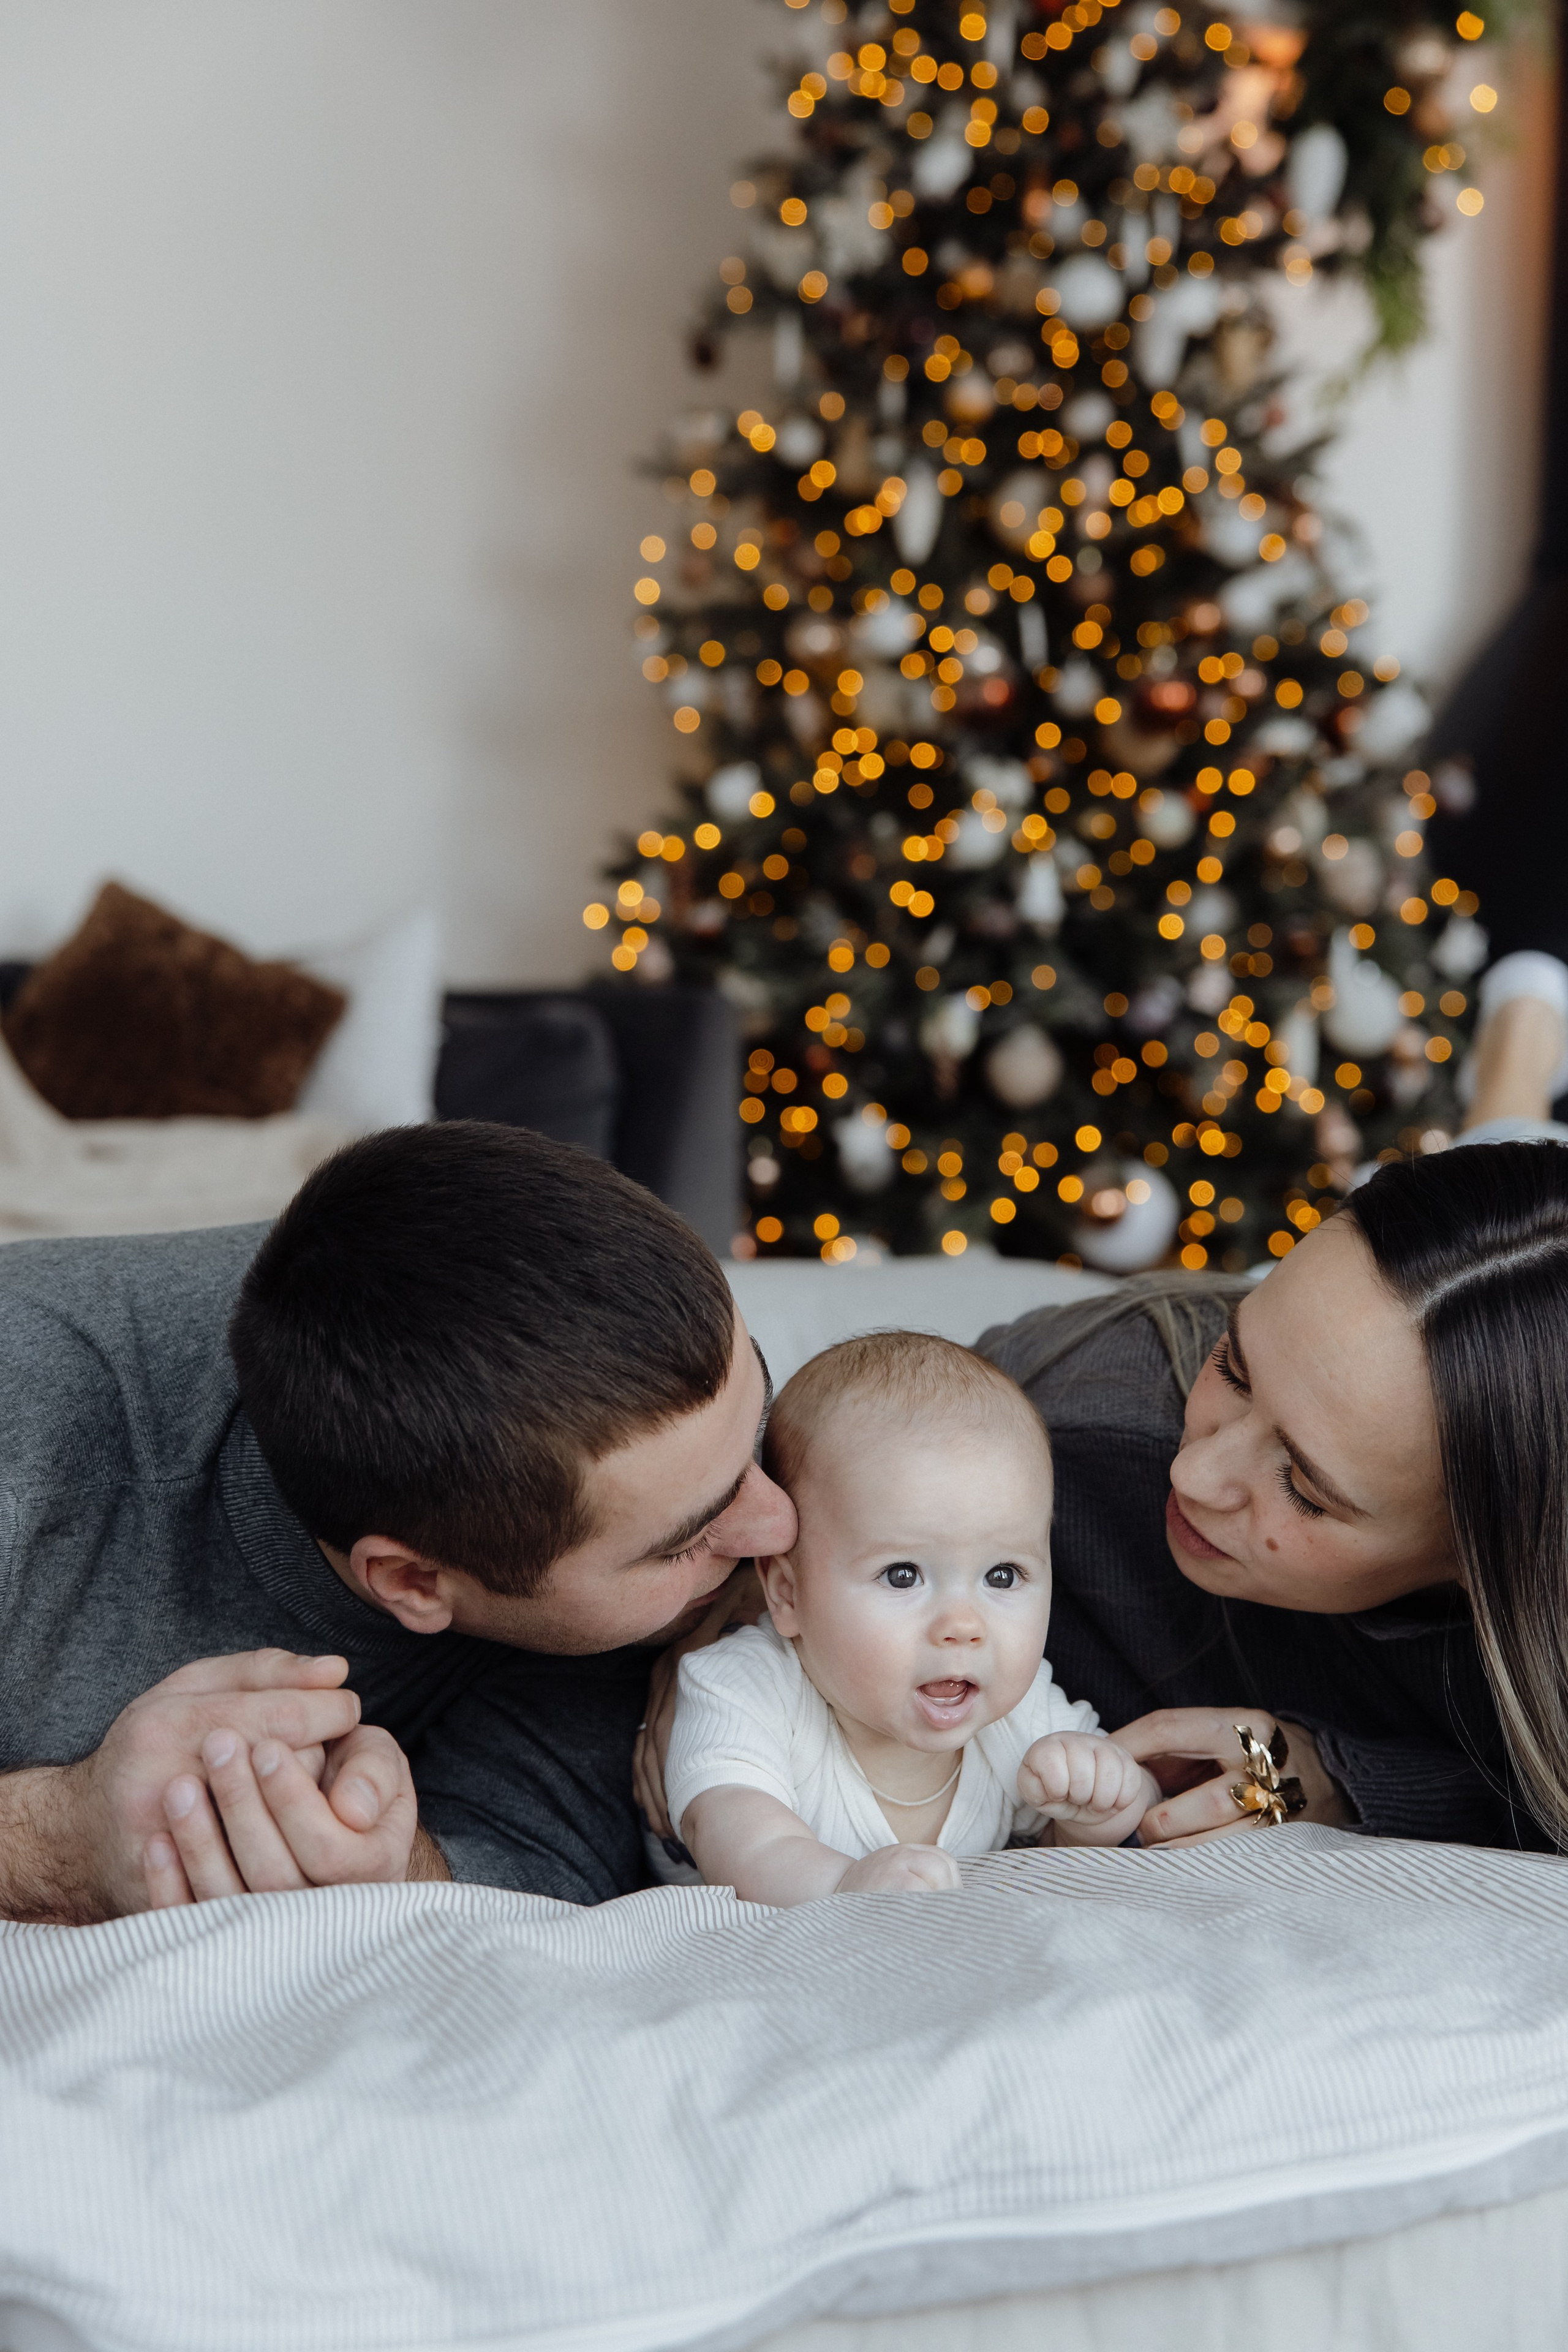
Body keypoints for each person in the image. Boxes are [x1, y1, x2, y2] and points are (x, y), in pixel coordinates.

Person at [644, 984, 1568, 1861]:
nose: (1192, 1475)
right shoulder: (1073, 1426)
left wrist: (1341, 1779)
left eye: (1303, 1486)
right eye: (1234, 1366)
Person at [0, 1122, 796, 1924]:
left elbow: (544, 1855)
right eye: (688, 1541)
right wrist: (63, 1838)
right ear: (414, 1581)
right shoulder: (24, 1433)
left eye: (757, 1405)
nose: (782, 1525)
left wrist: (398, 1869)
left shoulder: (635, 1454)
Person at [660, 1333, 1159, 1905]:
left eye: (1002, 1576)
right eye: (903, 1575)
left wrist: (1096, 1810)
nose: (963, 1626)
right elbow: (744, 1843)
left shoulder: (1021, 1714)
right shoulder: (742, 1688)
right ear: (787, 1593)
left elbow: (1077, 1846)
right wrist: (843, 1885)